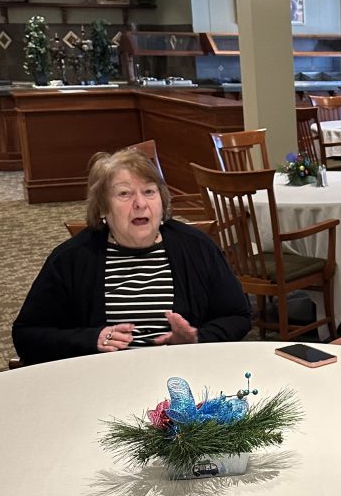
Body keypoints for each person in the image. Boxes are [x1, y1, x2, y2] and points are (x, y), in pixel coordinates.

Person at [13, 148, 250, 364]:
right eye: (124, 194)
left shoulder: (197, 247)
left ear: (162, 200)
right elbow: (27, 336)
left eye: (149, 192)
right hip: (102, 381)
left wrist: (197, 338)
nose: (140, 203)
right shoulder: (71, 258)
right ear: (103, 207)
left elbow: (238, 315)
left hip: (183, 376)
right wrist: (90, 339)